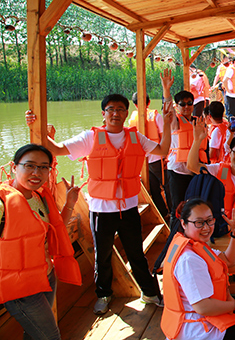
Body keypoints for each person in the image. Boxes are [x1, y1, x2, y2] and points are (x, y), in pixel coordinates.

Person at [27, 89, 173, 315]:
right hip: (101, 210)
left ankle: (150, 293)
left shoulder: (137, 137)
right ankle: (104, 294)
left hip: (129, 208)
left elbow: (163, 150)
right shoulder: (90, 138)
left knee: (136, 254)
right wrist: (34, 126)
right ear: (103, 113)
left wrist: (169, 125)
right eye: (110, 109)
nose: (116, 113)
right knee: (102, 256)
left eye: (120, 109)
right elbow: (56, 149)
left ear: (126, 113)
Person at [0, 144, 82, 340]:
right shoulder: (3, 203)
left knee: (33, 334)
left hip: (46, 275)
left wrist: (69, 204)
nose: (37, 172)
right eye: (29, 165)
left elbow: (55, 229)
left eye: (44, 167)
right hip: (21, 288)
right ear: (14, 167)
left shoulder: (39, 196)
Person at [161, 198, 235, 340]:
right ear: (184, 224)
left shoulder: (193, 244)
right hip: (195, 328)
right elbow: (203, 307)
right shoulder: (189, 259)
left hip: (197, 315)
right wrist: (230, 305)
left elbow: (228, 260)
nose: (206, 227)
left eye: (209, 220)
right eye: (199, 222)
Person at [129, 91, 171, 218]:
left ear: (135, 105)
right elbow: (164, 137)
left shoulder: (132, 118)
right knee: (167, 186)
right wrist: (166, 157)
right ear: (149, 102)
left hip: (142, 161)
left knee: (154, 189)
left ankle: (164, 213)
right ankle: (171, 212)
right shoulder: (156, 116)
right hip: (156, 159)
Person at [168, 89, 199, 217]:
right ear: (177, 106)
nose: (186, 106)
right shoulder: (175, 121)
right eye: (182, 104)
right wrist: (166, 90)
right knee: (178, 207)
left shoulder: (198, 122)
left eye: (189, 103)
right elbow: (169, 110)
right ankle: (175, 229)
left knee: (194, 206)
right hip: (178, 171)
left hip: (194, 171)